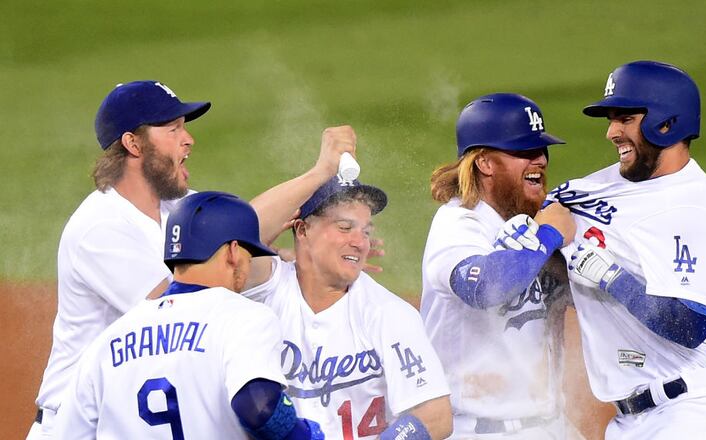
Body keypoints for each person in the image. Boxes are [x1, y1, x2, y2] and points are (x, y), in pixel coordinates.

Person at [29, 80, 356, 438]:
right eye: (172, 130)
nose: (188, 139)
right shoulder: (100, 227)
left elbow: (235, 237)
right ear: (132, 143)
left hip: (137, 412)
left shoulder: (176, 209)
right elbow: (192, 285)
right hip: (77, 426)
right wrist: (319, 173)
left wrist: (311, 260)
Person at [544, 60, 706, 438]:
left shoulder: (695, 205)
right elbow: (537, 220)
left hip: (690, 417)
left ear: (666, 123)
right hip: (625, 423)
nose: (611, 133)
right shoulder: (593, 188)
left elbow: (687, 324)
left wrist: (609, 275)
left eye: (624, 119)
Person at [54, 191, 324, 439]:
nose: (249, 262)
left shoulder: (108, 341)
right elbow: (259, 407)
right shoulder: (243, 317)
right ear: (232, 251)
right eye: (248, 252)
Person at [243, 177, 453, 440]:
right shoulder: (266, 289)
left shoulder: (388, 313)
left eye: (366, 231)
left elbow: (435, 414)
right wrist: (321, 170)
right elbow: (235, 242)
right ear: (303, 230)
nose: (360, 242)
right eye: (345, 227)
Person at [420, 93, 577, 439]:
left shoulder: (535, 218)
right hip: (478, 431)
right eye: (523, 152)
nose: (539, 160)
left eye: (541, 150)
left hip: (548, 426)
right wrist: (549, 234)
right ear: (485, 163)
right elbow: (485, 288)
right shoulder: (459, 224)